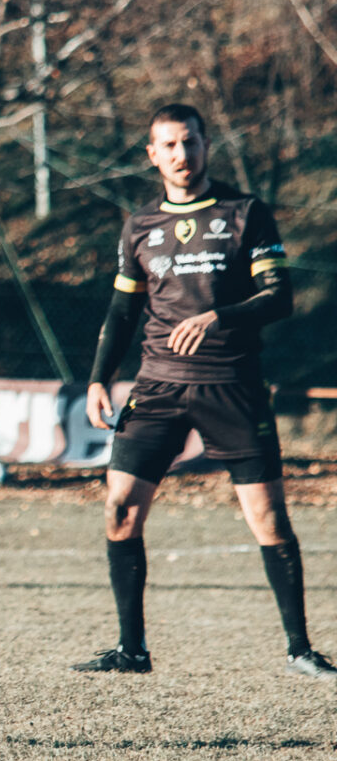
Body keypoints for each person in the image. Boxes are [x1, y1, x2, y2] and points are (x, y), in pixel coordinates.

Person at [79, 103, 330, 678]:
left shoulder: (245, 213)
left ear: (206, 145)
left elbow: (280, 297)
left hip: (231, 385)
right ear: (152, 154)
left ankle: (300, 650)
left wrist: (219, 317)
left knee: (268, 519)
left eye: (189, 142)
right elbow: (121, 311)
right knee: (120, 509)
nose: (181, 154)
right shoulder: (140, 225)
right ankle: (132, 650)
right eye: (168, 145)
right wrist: (98, 378)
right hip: (157, 386)